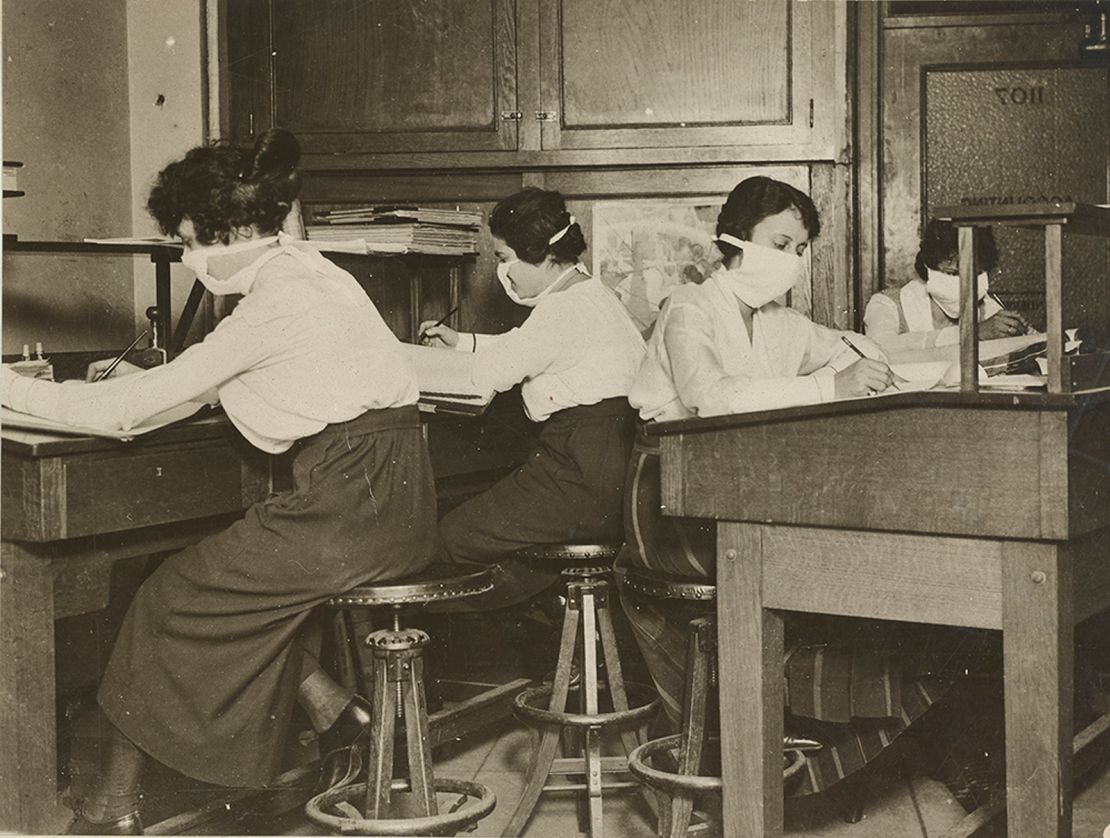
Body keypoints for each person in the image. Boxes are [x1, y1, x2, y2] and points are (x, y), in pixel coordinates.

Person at [1, 129, 438, 833]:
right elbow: (215, 383)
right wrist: (165, 383)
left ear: (230, 232)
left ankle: (110, 813)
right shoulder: (316, 273)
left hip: (343, 510)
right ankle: (334, 711)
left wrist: (13, 393)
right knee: (230, 591)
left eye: (187, 242)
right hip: (391, 501)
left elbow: (125, 417)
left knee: (163, 599)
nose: (188, 258)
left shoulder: (271, 303)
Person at [620, 176, 980, 797]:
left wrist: (930, 364)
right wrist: (826, 388)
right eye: (780, 242)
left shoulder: (780, 323)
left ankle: (809, 753)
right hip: (669, 499)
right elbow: (711, 398)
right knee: (839, 577)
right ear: (734, 238)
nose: (792, 260)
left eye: (801, 248)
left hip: (743, 494)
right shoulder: (689, 308)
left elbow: (854, 347)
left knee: (880, 575)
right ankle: (771, 750)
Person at [419, 187, 645, 608]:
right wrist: (463, 342)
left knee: (448, 541)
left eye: (504, 259)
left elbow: (490, 374)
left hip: (576, 474)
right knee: (509, 556)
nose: (503, 273)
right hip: (607, 475)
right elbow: (525, 348)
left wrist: (413, 364)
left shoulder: (561, 310)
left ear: (539, 255)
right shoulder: (590, 295)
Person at [863, 218, 1030, 354]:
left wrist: (1019, 335)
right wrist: (973, 333)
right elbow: (879, 349)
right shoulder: (887, 304)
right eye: (951, 273)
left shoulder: (987, 307)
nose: (964, 282)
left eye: (974, 273)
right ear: (928, 267)